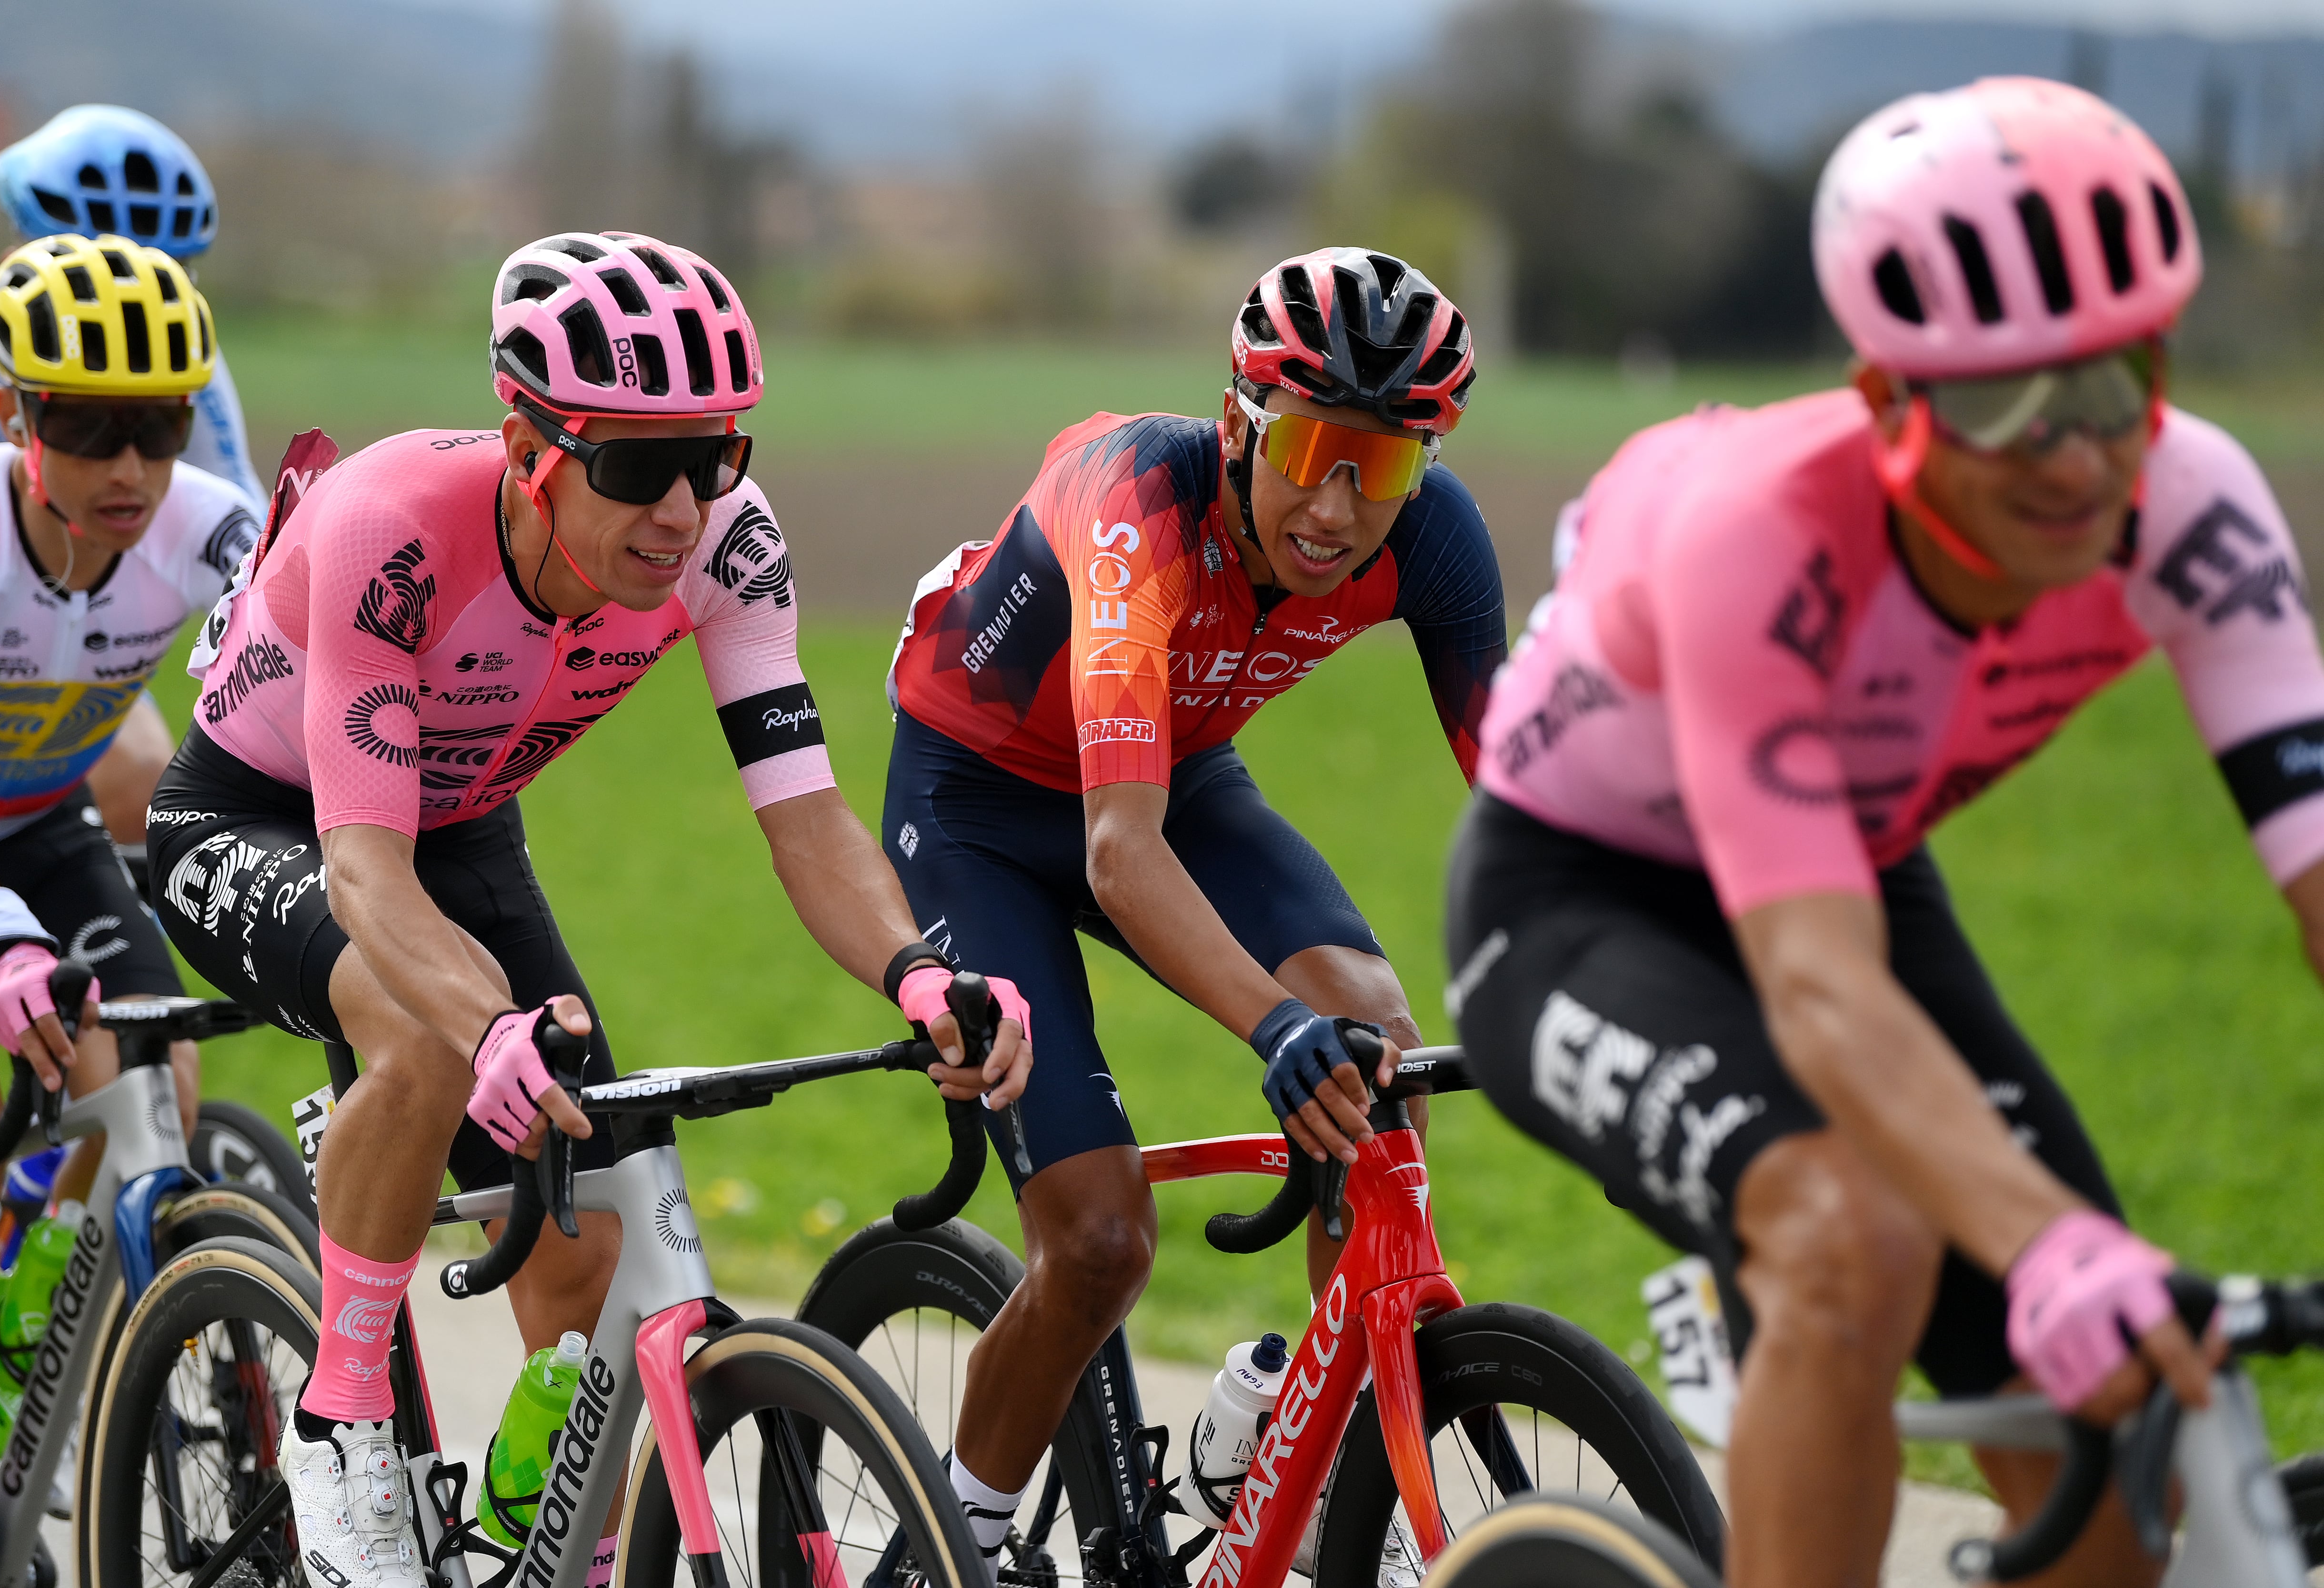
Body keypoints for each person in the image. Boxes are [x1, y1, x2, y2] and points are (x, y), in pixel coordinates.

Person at [1445, 77, 2313, 1587]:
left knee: (2121, 1421)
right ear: (1890, 400)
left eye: (2110, 388)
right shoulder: (1763, 530)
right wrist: (2042, 1240)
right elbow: (1821, 986)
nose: (2070, 456)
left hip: (1846, 867)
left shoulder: (2193, 502)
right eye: (1999, 402)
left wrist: (2056, 1253)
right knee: (1853, 1237)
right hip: (1586, 899)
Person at [145, 230, 1030, 1588]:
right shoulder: (393, 529)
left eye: (715, 454)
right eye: (633, 465)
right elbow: (367, 876)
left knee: (587, 1239)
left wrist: (923, 975)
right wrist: (484, 1024)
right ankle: (340, 1420)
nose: (681, 507)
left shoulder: (729, 546)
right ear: (529, 448)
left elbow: (808, 822)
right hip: (262, 815)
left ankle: (536, 1537)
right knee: (434, 1039)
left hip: (459, 818)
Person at [882, 246, 1503, 1566]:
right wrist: (1272, 1027)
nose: (1339, 505)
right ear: (1240, 424)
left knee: (1375, 1034)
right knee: (1101, 1239)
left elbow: (1526, 800)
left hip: (1172, 769)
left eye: (1383, 465)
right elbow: (1121, 853)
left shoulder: (1436, 544)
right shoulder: (1139, 505)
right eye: (1317, 449)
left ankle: (1326, 1452)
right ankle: (959, 1540)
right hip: (979, 803)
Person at [0, 231, 262, 1367]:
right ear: (14, 415)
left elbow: (308, 689)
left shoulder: (208, 525)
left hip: (35, 821)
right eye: (85, 428)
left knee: (154, 1082)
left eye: (160, 428)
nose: (128, 470)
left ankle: (23, 1306)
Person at [0, 104, 268, 893]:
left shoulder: (182, 361)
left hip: (54, 641)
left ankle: (110, 962)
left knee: (149, 781)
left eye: (163, 278)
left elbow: (252, 541)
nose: (121, 308)